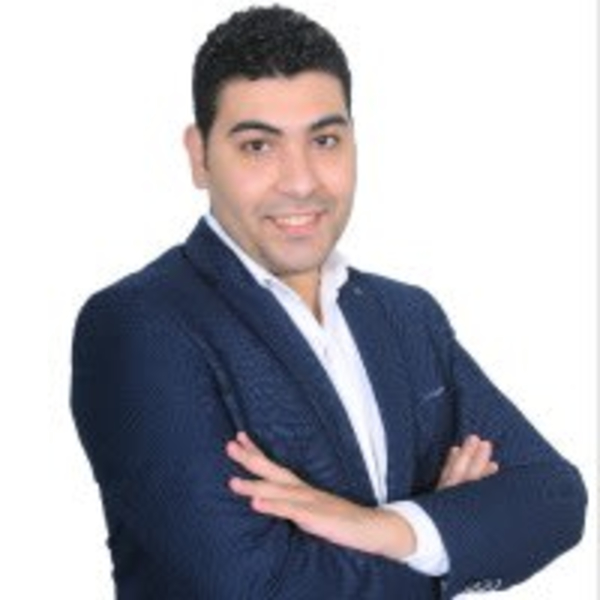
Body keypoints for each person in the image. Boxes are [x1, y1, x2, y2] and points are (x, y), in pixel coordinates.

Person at [70, 6, 586, 599]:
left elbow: (554, 496)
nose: (301, 181)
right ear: (199, 156)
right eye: (258, 146)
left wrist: (388, 529)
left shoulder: (406, 316)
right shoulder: (142, 326)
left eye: (324, 140)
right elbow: (251, 589)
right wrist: (445, 537)